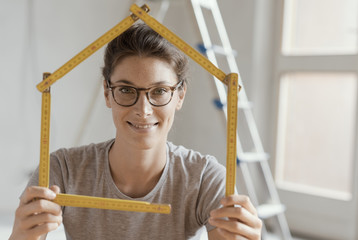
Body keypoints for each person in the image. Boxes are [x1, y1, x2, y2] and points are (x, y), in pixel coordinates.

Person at [9, 23, 262, 240]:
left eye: (160, 91)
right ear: (107, 93)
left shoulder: (205, 177)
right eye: (126, 90)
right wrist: (20, 235)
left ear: (180, 95)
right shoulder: (61, 169)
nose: (143, 110)